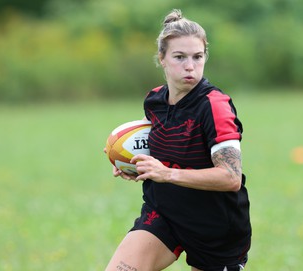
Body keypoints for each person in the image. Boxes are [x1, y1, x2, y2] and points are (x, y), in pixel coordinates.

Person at [105, 9, 252, 271]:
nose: (190, 66)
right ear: (162, 59)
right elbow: (161, 150)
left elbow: (231, 178)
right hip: (164, 215)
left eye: (197, 57)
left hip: (215, 229)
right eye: (179, 57)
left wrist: (166, 174)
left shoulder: (214, 106)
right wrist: (133, 164)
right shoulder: (154, 101)